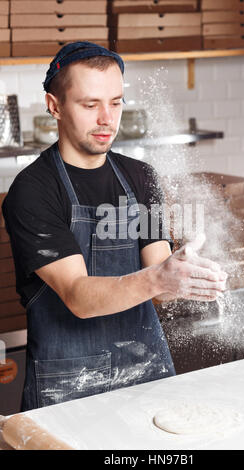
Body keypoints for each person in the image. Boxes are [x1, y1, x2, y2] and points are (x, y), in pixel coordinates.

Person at [2, 41, 227, 411]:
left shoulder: (142, 177)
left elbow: (160, 285)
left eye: (116, 102)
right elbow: (78, 296)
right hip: (67, 388)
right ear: (54, 106)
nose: (107, 118)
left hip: (147, 374)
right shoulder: (33, 190)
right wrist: (160, 278)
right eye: (90, 105)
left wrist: (182, 275)